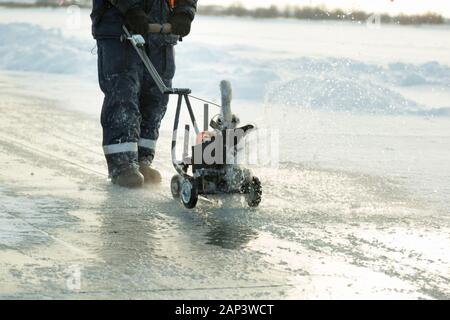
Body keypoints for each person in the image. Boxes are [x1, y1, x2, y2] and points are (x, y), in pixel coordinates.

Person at [90, 0, 197, 187]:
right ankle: (123, 165)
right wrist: (130, 8)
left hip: (160, 32)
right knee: (123, 95)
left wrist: (184, 12)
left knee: (156, 98)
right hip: (119, 27)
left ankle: (142, 160)